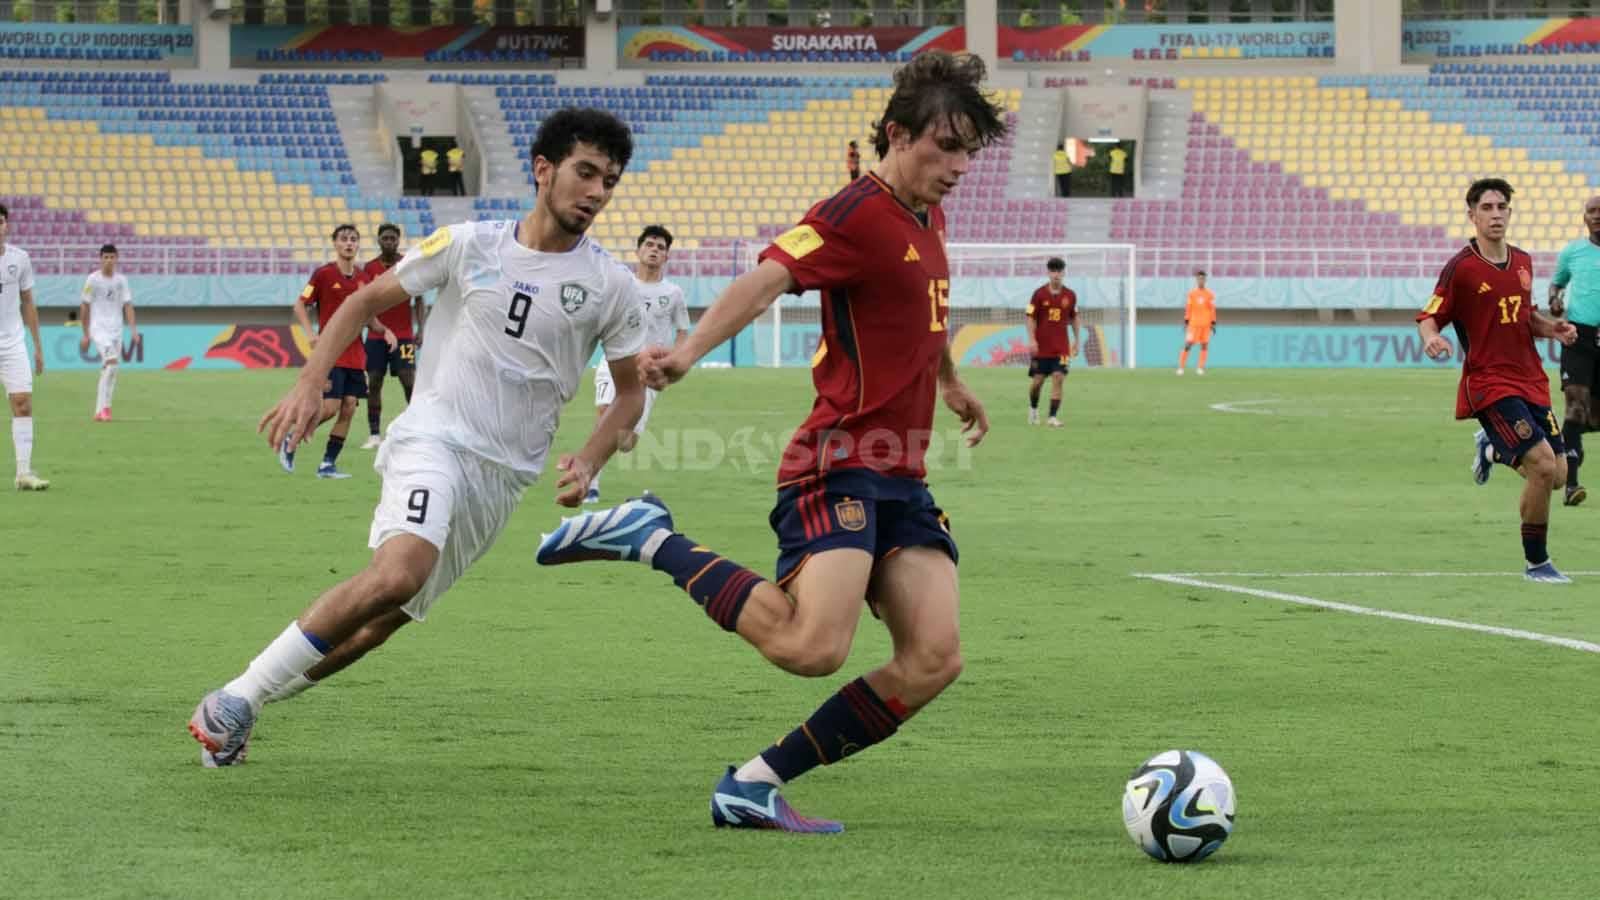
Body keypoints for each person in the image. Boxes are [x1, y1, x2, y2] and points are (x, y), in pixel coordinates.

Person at [536, 50, 1003, 833]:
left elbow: (924, 306)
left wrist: (949, 378)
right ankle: (653, 540)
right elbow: (767, 278)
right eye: (945, 147)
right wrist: (684, 354)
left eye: (967, 151)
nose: (958, 166)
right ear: (898, 133)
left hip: (902, 477)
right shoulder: (855, 212)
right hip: (839, 461)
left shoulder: (929, 213)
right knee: (812, 646)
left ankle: (752, 784)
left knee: (933, 659)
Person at [186, 108, 647, 767]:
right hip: (435, 437)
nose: (598, 192)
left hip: (504, 477)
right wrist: (312, 381)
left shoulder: (611, 285)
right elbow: (362, 303)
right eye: (586, 172)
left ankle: (243, 707)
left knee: (383, 621)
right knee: (399, 574)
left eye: (610, 181)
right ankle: (235, 698)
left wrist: (591, 457)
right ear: (544, 171)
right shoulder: (470, 244)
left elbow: (629, 393)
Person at [1418, 177, 1578, 583]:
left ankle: (1492, 450)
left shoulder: (1523, 261)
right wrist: (1432, 338)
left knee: (1557, 475)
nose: (1495, 215)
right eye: (1486, 208)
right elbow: (1431, 314)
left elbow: (1526, 316)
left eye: (1501, 207)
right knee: (1542, 467)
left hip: (1530, 379)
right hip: (1489, 381)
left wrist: (1552, 329)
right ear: (1471, 215)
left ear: (1509, 212)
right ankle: (1537, 562)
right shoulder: (1462, 267)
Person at [585, 223, 690, 504]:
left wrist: (674, 358)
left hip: (649, 372)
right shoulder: (622, 284)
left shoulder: (673, 293)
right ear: (638, 250)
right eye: (650, 245)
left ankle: (593, 468)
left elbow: (682, 332)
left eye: (660, 248)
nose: (654, 251)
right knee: (606, 413)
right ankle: (590, 481)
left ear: (666, 257)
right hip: (616, 360)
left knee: (626, 442)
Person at [286, 224, 370, 479]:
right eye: (344, 239)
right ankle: (292, 437)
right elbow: (301, 303)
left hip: (356, 352)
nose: (349, 244)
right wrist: (310, 334)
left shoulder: (362, 278)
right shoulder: (322, 275)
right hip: (332, 351)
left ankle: (327, 464)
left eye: (353, 240)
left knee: (349, 407)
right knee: (331, 406)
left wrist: (383, 329)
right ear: (335, 243)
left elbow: (368, 312)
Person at [1546, 194, 1600, 506]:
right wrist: (1554, 300)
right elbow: (1556, 284)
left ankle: (1561, 440)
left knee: (1590, 418)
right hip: (1578, 337)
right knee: (1576, 407)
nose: (1596, 215)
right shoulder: (1573, 252)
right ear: (1584, 218)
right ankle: (1571, 485)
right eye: (1591, 211)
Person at [360, 224, 427, 450]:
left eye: (393, 238)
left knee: (409, 382)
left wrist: (421, 329)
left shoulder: (408, 263)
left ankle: (417, 430)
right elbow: (364, 302)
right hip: (377, 337)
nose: (389, 242)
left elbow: (419, 299)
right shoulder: (369, 268)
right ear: (378, 241)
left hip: (404, 336)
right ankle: (374, 434)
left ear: (398, 241)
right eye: (385, 238)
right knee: (374, 383)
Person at [0, 203, 46, 490]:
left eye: (1, 221)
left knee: (23, 403)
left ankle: (23, 473)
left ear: (7, 226)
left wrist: (38, 346)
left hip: (13, 341)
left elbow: (28, 302)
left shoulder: (20, 258)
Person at [79, 243, 139, 422]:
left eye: (112, 257)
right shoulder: (92, 280)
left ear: (117, 259)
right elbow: (84, 305)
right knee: (112, 364)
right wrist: (86, 333)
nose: (109, 260)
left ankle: (102, 410)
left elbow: (128, 305)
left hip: (117, 330)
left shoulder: (121, 281)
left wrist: (133, 330)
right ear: (100, 259)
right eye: (105, 257)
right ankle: (104, 409)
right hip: (99, 329)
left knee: (111, 369)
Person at [1025, 256, 1078, 427]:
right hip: (1041, 347)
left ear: (1063, 273)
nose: (1056, 274)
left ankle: (1052, 417)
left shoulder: (1070, 296)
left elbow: (1075, 318)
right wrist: (1032, 339)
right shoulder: (1038, 294)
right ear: (1048, 273)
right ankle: (1033, 409)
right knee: (1037, 382)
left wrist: (1077, 339)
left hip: (1061, 348)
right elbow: (1030, 318)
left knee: (1058, 377)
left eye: (1059, 271)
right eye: (1053, 271)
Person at [1177, 270, 1216, 375]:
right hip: (1193, 324)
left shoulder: (1210, 295)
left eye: (1203, 279)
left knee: (1204, 345)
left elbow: (1212, 309)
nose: (1201, 280)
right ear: (1196, 280)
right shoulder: (1192, 294)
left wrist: (1213, 323)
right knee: (1188, 344)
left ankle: (1200, 368)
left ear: (1205, 280)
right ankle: (1181, 367)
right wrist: (1186, 321)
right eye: (1199, 279)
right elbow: (1188, 308)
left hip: (1206, 324)